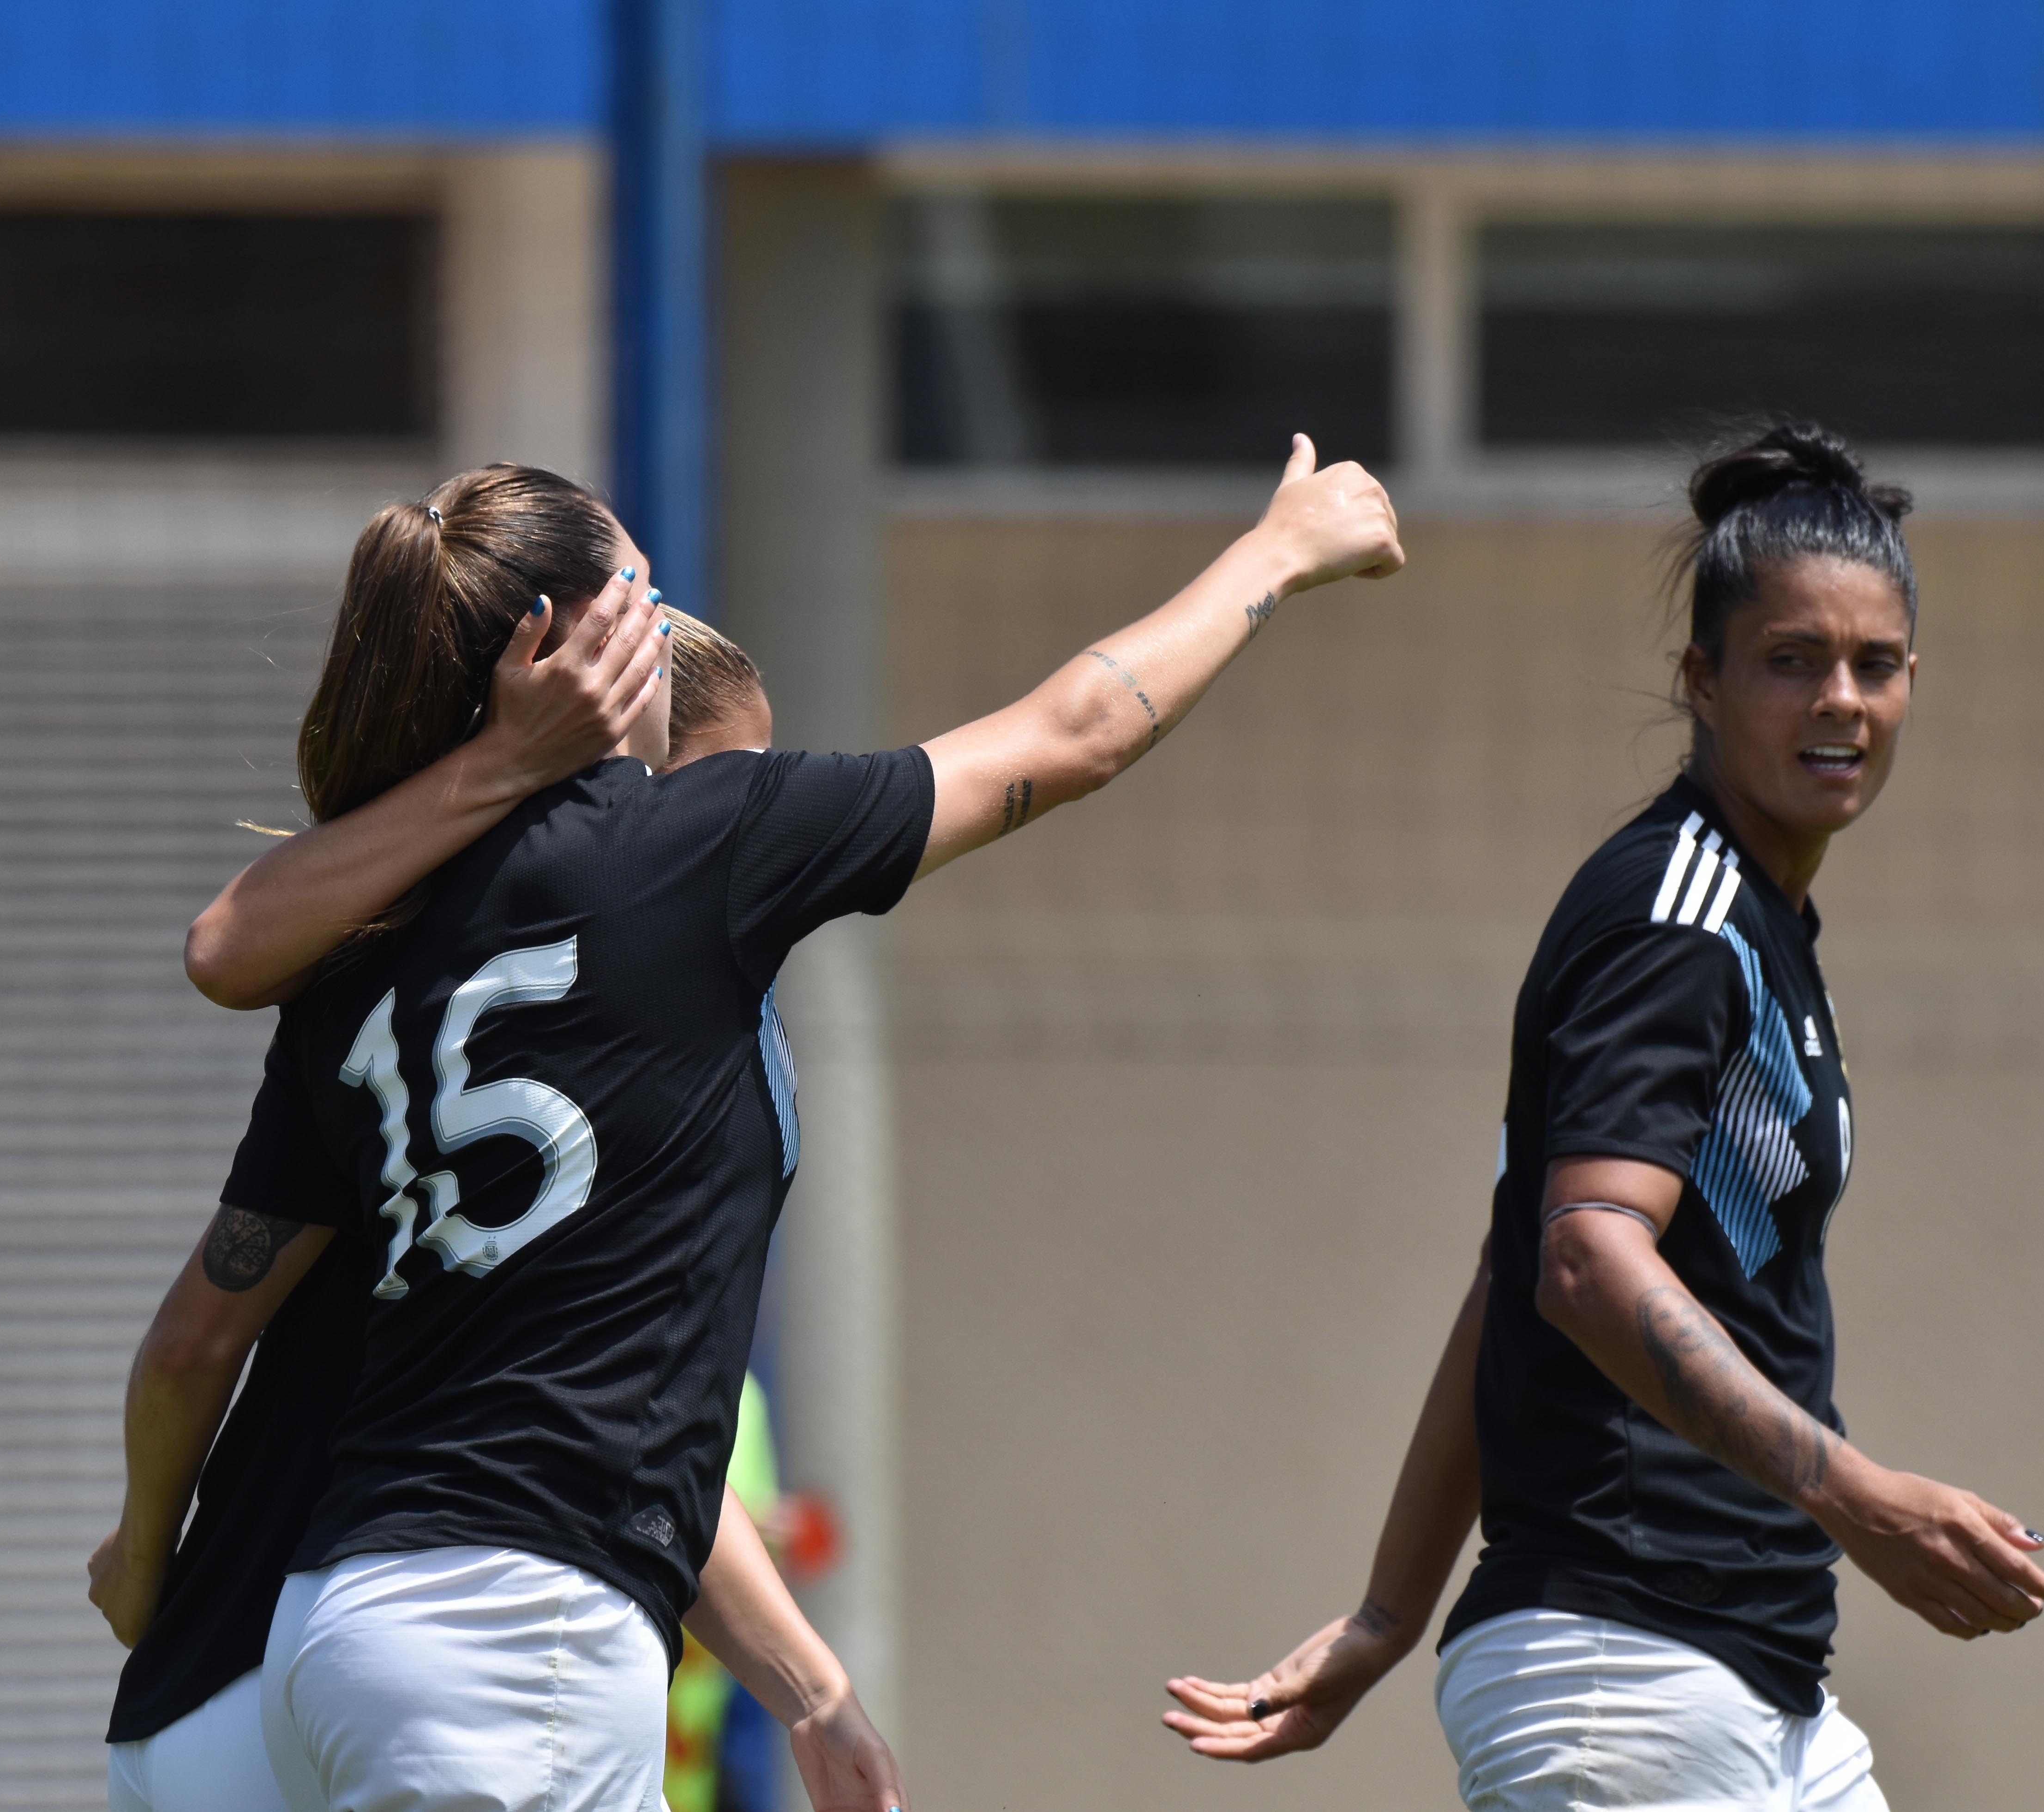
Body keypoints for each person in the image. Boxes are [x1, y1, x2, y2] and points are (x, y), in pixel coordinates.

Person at [172, 442, 1401, 1812]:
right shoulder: (701, 840)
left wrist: (811, 1692)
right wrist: (1280, 551)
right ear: (577, 645)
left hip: (340, 1621)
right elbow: (1077, 734)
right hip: (520, 1629)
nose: (663, 614)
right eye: (641, 586)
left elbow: (228, 949)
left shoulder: (373, 932)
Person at [1159, 424, 2044, 1812]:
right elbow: (1581, 1262)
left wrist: (1390, 1617)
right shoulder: (1674, 920)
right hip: (1623, 1676)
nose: (1839, 701)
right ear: (1699, 680)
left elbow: (1510, 1271)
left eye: (1872, 666)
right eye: (1788, 661)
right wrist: (1854, 1494)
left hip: (1752, 1688)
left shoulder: (1755, 919)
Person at [93, 562, 893, 1812]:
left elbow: (193, 1343)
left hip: (193, 1710)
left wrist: (145, 1559)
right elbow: (578, 1448)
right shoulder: (617, 1083)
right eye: (725, 788)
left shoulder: (377, 988)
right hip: (431, 1671)